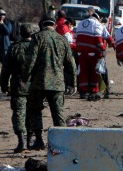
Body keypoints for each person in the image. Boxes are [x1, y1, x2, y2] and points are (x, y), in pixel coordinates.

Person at [22, 18, 76, 150]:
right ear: (54, 25)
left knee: (35, 110)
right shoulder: (62, 39)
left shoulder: (37, 38)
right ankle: (62, 142)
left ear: (42, 25)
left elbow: (31, 61)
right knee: (58, 113)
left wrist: (25, 78)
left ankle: (39, 140)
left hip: (38, 83)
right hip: (57, 83)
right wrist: (73, 83)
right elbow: (71, 63)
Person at [1, 24, 37, 152]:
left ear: (20, 33)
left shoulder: (14, 48)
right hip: (35, 85)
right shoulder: (36, 47)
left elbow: (6, 69)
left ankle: (21, 141)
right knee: (32, 113)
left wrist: (4, 85)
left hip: (18, 84)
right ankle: (30, 140)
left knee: (18, 113)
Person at [75, 12, 112, 100]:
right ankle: (93, 90)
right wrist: (103, 48)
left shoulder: (80, 23)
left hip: (80, 52)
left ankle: (83, 92)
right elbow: (99, 38)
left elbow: (76, 36)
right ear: (98, 18)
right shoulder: (97, 24)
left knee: (83, 71)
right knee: (94, 72)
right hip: (93, 52)